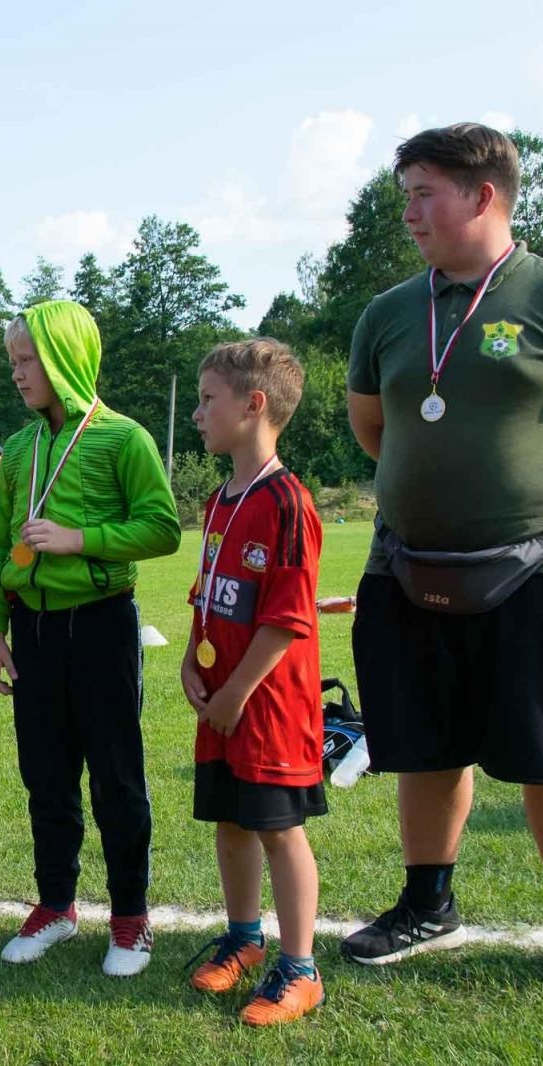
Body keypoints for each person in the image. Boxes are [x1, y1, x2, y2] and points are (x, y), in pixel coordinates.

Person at [344, 123, 543, 1009]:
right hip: (407, 568)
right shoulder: (387, 312)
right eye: (406, 193)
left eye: (422, 192)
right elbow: (374, 428)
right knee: (425, 747)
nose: (408, 211)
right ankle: (426, 904)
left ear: (482, 195)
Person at [0, 300, 181, 977]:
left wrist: (79, 540)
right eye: (12, 361)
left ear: (66, 356)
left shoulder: (124, 439)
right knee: (45, 777)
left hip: (101, 625)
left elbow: (162, 529)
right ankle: (58, 906)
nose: (18, 373)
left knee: (116, 777)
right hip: (32, 633)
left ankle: (131, 918)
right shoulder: (18, 448)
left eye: (28, 358)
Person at [182, 339, 326, 1026]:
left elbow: (287, 616)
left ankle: (300, 968)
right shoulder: (219, 499)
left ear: (254, 403)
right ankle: (243, 937)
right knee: (231, 822)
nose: (198, 414)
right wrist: (191, 660)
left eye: (209, 400)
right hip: (221, 701)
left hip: (266, 707)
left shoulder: (288, 502)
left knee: (278, 829)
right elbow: (205, 594)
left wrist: (237, 691)